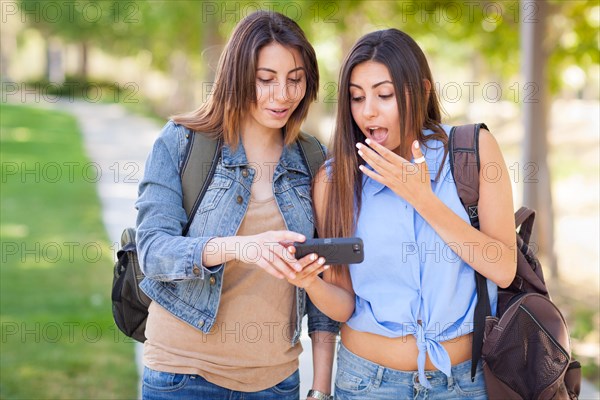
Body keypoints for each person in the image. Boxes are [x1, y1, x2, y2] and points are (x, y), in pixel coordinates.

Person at [304, 29, 517, 399]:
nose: (368, 111)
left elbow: (502, 266)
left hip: (462, 385)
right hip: (367, 384)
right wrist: (308, 281)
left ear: (421, 91)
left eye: (384, 94)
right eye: (356, 98)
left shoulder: (472, 151)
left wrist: (423, 199)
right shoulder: (333, 180)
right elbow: (344, 304)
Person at [135, 11, 337, 400]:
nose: (282, 95)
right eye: (265, 80)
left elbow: (325, 278)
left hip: (276, 382)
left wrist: (321, 387)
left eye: (295, 80)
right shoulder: (181, 142)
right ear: (237, 77)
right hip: (182, 377)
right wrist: (239, 247)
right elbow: (153, 252)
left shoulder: (314, 160)